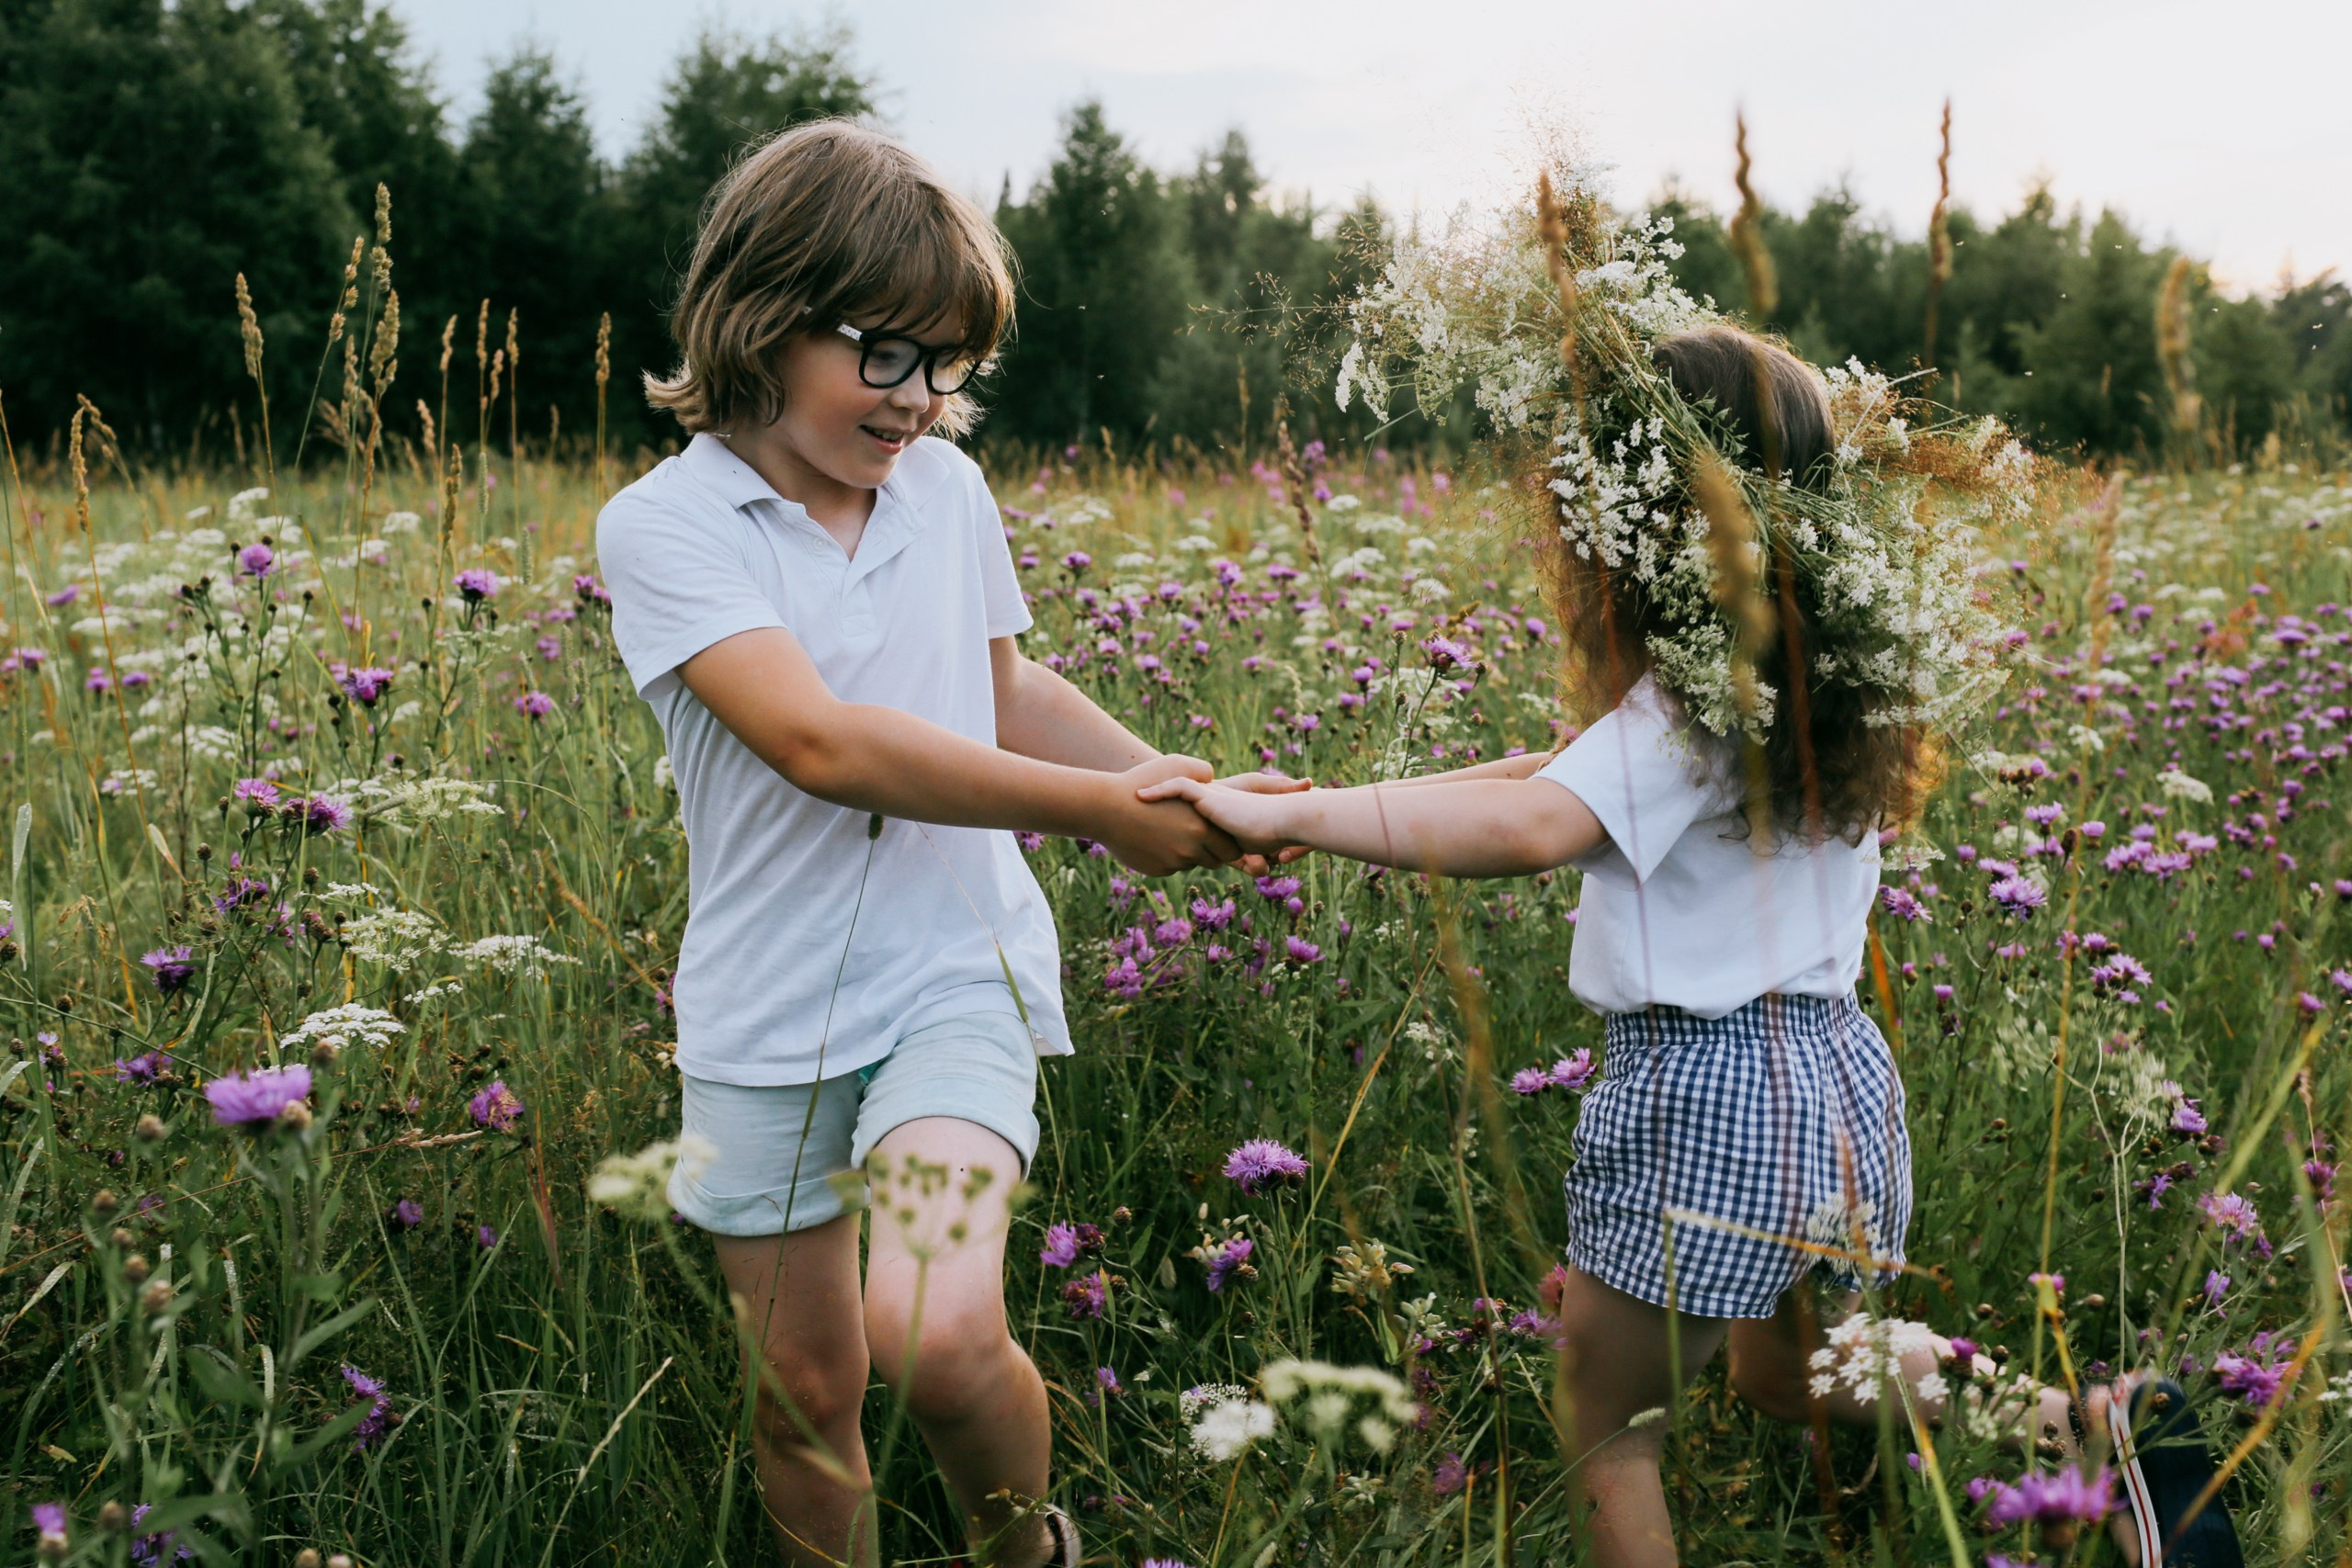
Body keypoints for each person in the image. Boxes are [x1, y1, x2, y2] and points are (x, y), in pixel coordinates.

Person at [1143, 325, 2241, 1566]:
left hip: (1703, 1097)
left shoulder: (1682, 704)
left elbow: (1532, 820)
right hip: (1836, 1087)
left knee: (1603, 1430)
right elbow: (1547, 777)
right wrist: (1327, 797)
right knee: (1800, 1375)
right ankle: (2090, 1428)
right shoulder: (1819, 691)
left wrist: (1295, 817)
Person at [595, 119, 1298, 1568]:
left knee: (939, 1333)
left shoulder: (945, 492)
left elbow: (1002, 690)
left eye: (950, 365)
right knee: (805, 1391)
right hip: (763, 1008)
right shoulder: (667, 527)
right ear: (762, 315)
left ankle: (1024, 1554)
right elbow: (822, 742)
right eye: (885, 354)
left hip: (951, 977)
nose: (920, 401)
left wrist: (1164, 784)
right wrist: (1095, 818)